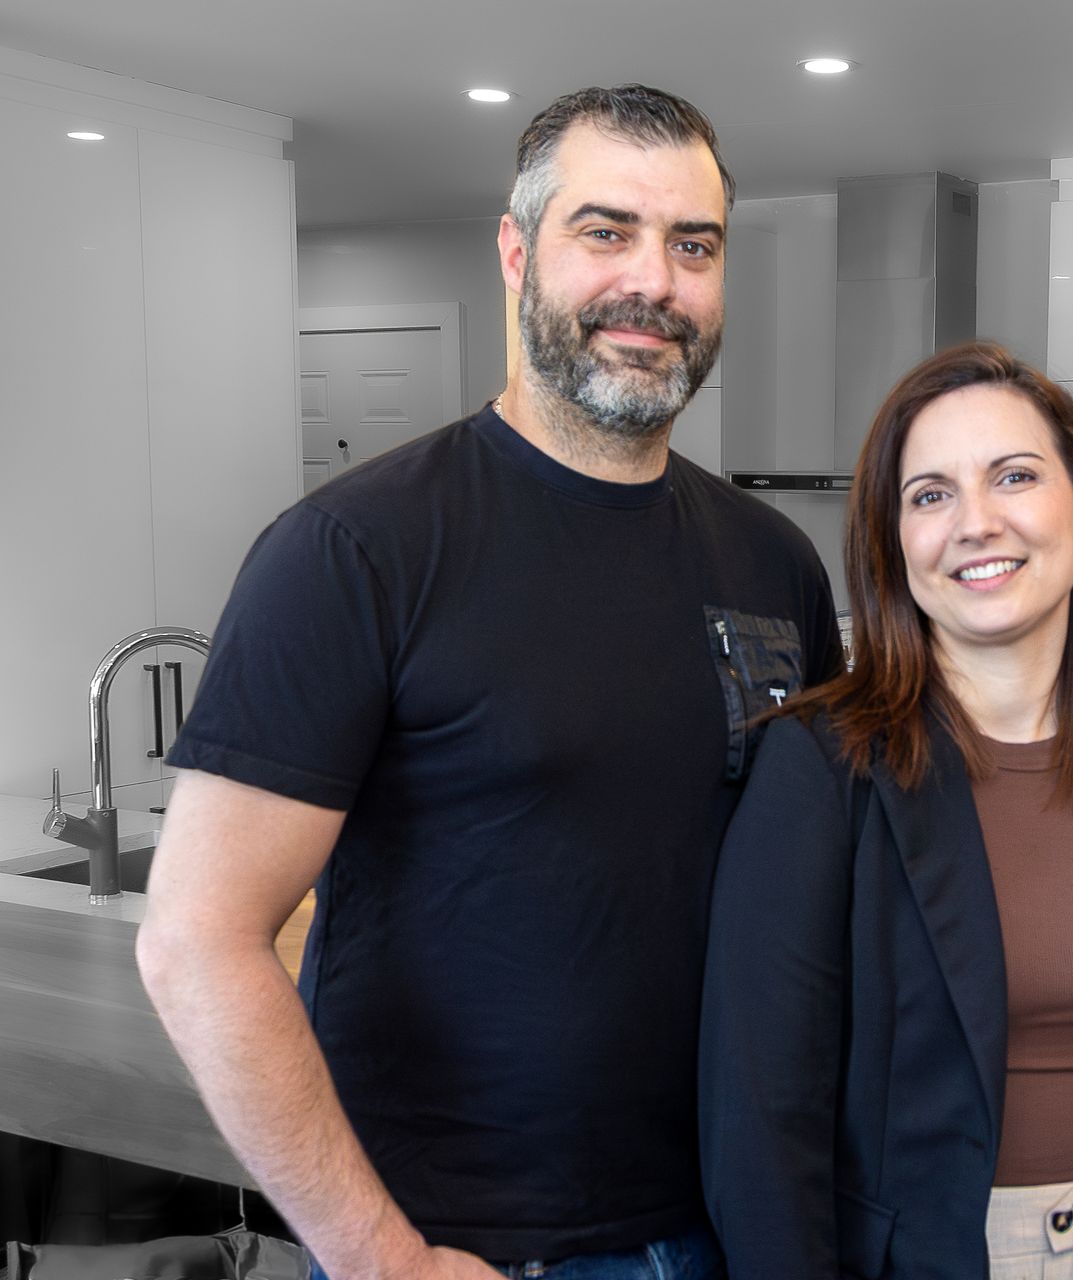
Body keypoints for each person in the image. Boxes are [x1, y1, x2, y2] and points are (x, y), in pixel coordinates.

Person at [136, 84, 841, 1280]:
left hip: (733, 1221)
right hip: (468, 1247)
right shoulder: (357, 552)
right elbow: (197, 939)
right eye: (605, 230)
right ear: (517, 249)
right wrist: (379, 1257)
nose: (655, 283)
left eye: (694, 245)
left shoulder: (773, 560)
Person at [699, 342, 1073, 1280]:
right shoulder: (820, 769)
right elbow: (758, 1120)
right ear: (896, 541)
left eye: (1015, 477)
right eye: (930, 495)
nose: (975, 523)